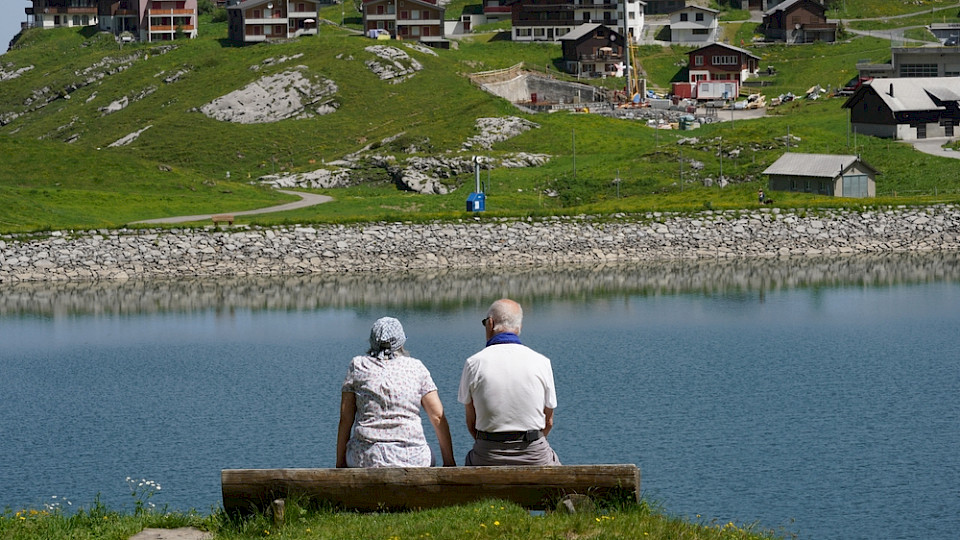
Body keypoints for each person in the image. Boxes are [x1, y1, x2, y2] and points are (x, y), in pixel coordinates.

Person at [337, 317, 455, 468]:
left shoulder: (358, 365)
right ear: (401, 341)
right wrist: (449, 461)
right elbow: (437, 416)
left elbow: (346, 418)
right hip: (412, 458)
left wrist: (340, 463)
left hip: (366, 459)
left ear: (372, 341)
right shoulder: (416, 367)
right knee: (427, 453)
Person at [458, 299, 560, 466]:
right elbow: (548, 422)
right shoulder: (542, 362)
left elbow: (471, 423)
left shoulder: (473, 363)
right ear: (519, 327)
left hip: (487, 455)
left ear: (490, 324)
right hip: (534, 455)